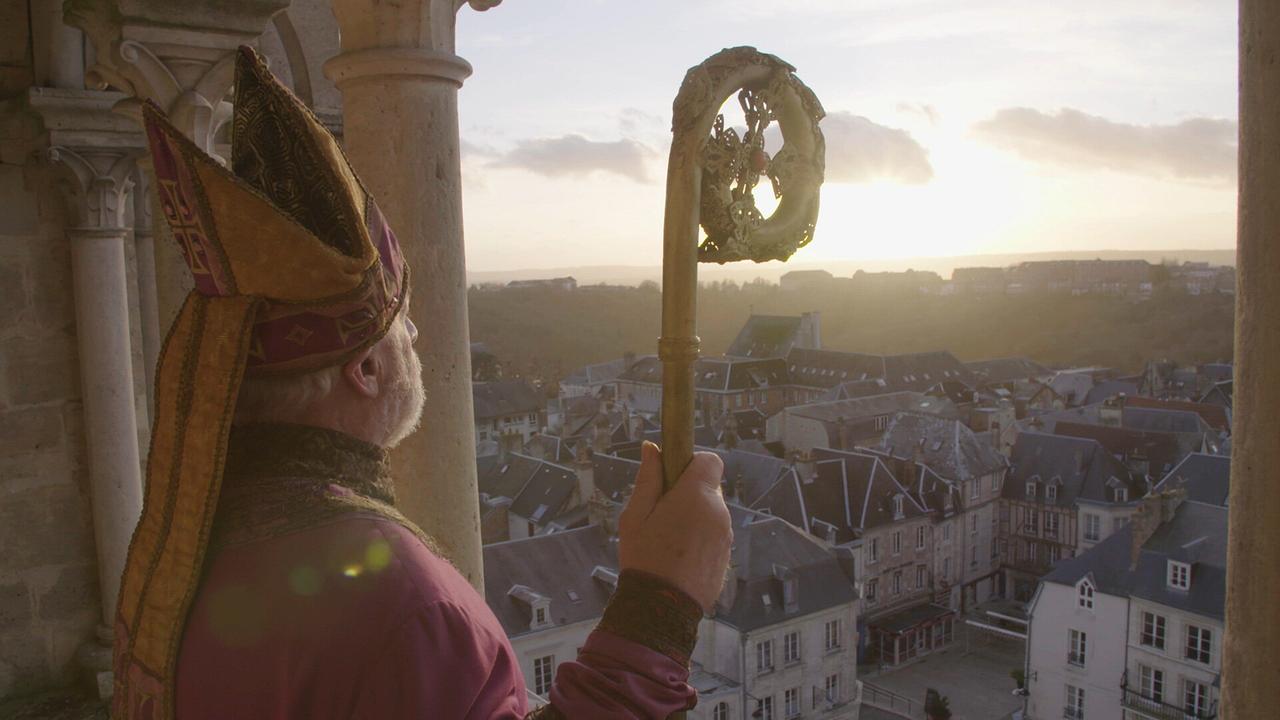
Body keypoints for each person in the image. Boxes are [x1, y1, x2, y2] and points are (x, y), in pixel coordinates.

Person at [112, 46, 732, 720]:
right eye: (401, 323)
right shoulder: (407, 606)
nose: (417, 338)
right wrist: (658, 605)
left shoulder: (189, 546)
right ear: (367, 369)